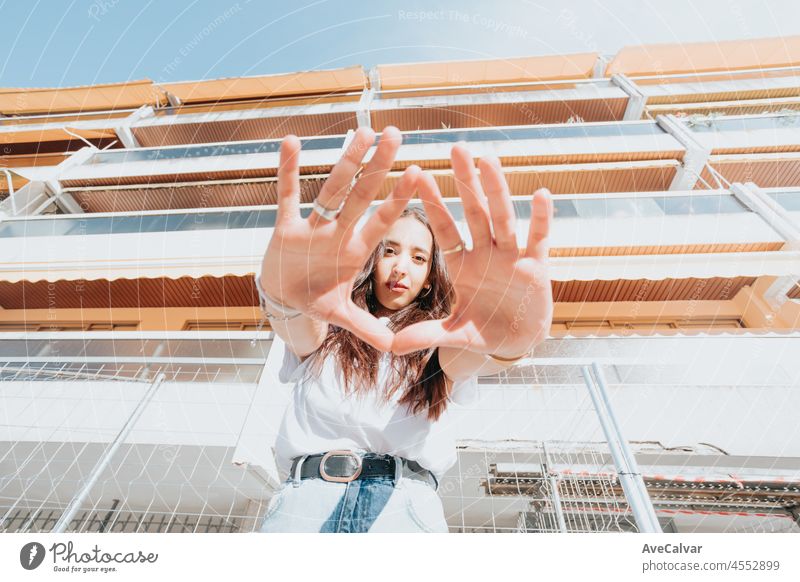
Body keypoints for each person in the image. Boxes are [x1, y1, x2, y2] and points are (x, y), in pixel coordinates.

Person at [254, 125, 554, 532]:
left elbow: (466, 356)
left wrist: (506, 338)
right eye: (390, 251)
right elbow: (298, 327)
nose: (400, 266)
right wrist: (284, 297)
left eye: (418, 257)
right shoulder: (330, 325)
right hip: (305, 506)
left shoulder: (441, 338)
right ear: (372, 262)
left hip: (403, 511)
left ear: (430, 276)